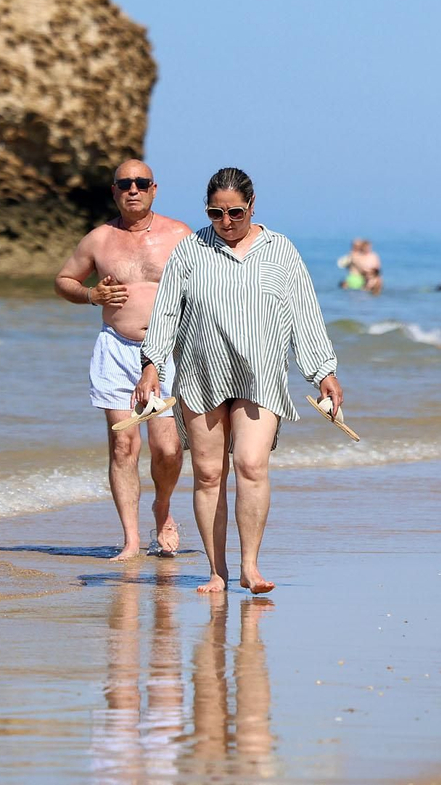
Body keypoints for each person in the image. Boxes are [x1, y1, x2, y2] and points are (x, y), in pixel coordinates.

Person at [135, 167, 344, 595]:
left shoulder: (280, 250)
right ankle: (217, 571)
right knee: (209, 473)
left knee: (250, 464)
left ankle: (250, 567)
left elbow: (304, 313)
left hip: (261, 374)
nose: (225, 222)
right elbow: (167, 313)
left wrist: (323, 370)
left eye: (234, 212)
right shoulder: (191, 250)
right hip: (201, 373)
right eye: (215, 213)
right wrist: (152, 366)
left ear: (252, 206)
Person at [55, 160, 193, 559]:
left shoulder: (179, 235)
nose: (133, 189)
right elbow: (64, 281)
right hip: (117, 348)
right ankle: (131, 540)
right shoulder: (99, 239)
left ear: (154, 189)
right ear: (114, 191)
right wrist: (90, 296)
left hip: (169, 352)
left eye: (141, 183)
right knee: (123, 446)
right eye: (125, 184)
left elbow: (207, 285)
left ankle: (162, 509)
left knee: (168, 449)